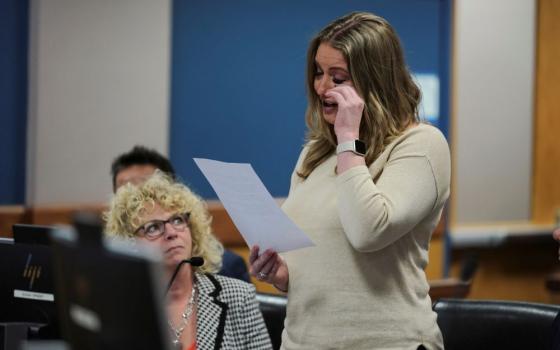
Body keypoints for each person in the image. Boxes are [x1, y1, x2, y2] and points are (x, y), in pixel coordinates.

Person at [249, 12, 450, 349]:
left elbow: (368, 232)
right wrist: (283, 275)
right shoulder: (315, 153)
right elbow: (323, 257)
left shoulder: (422, 145)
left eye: (338, 77)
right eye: (318, 72)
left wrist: (348, 138)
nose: (322, 87)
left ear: (375, 83)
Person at [104, 172, 272, 350]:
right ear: (129, 244)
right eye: (153, 227)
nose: (171, 232)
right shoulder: (120, 309)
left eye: (177, 220)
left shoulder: (239, 296)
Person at [110, 145, 251, 283]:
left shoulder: (228, 271)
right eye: (125, 191)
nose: (138, 198)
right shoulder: (112, 276)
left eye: (148, 185)